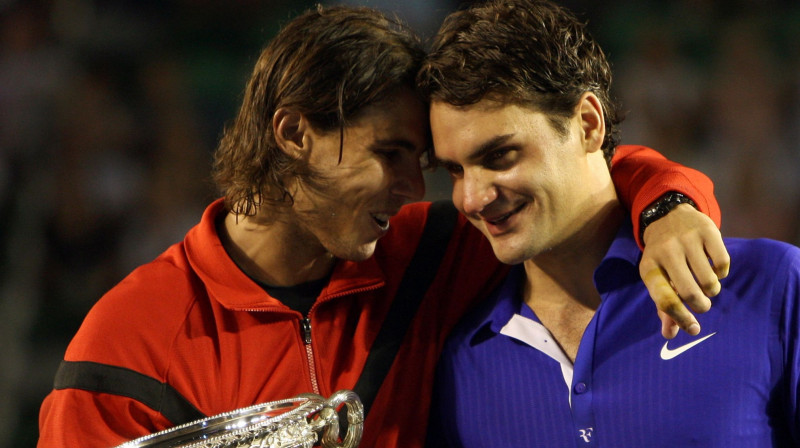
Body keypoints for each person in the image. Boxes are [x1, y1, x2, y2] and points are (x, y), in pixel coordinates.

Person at [37, 5, 727, 448]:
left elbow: (589, 179)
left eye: (422, 162)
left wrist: (669, 210)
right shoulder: (124, 345)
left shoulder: (428, 252)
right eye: (390, 155)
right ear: (294, 133)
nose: (415, 188)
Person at [419, 0, 799, 446]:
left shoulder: (772, 287)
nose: (471, 198)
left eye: (500, 156)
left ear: (588, 124)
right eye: (456, 171)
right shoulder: (460, 359)